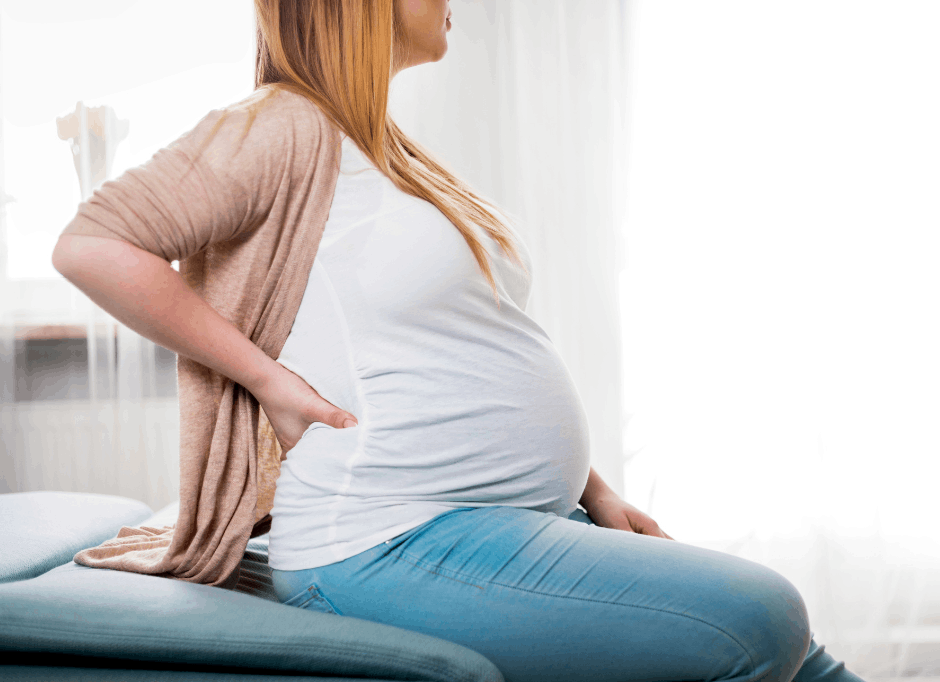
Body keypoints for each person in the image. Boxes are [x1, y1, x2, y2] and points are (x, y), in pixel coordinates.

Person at [52, 2, 869, 682]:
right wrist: (267, 379)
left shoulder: (386, 149)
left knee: (811, 661)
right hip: (386, 538)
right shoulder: (281, 124)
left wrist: (593, 491)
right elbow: (93, 245)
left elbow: (468, 342)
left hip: (497, 520)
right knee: (762, 617)